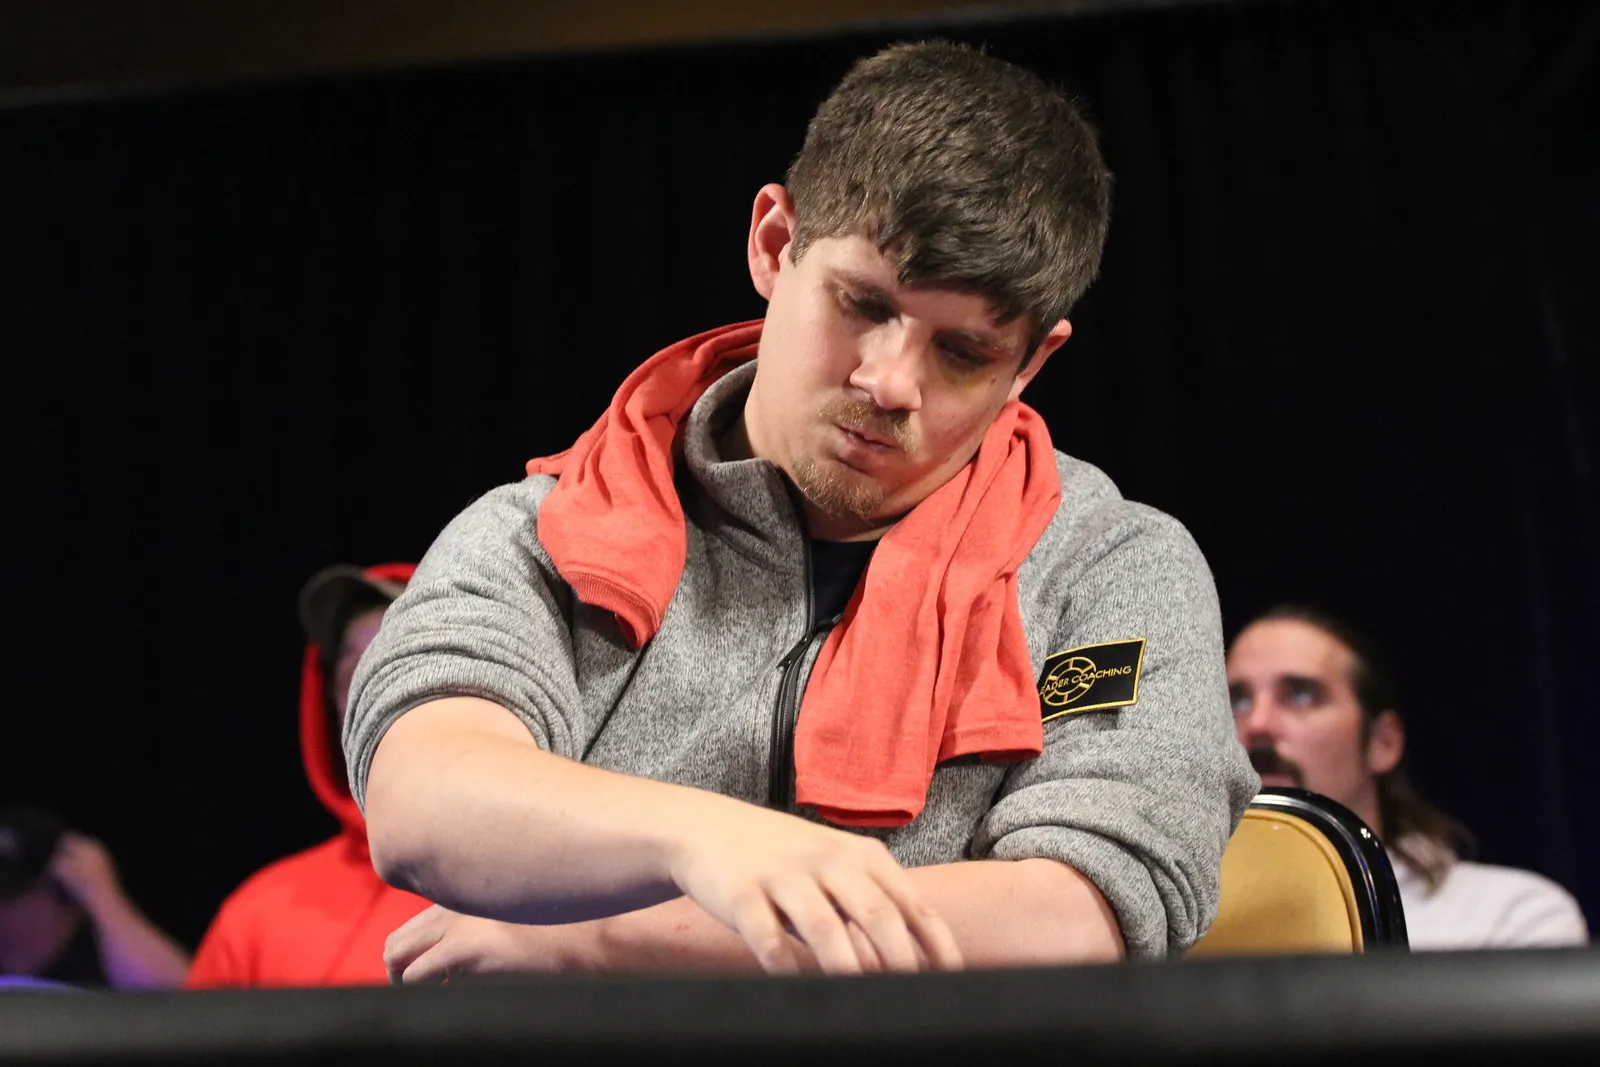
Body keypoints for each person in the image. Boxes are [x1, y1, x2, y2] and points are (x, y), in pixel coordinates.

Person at [349, 40, 1258, 982]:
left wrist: (606, 943)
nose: (890, 382)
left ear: (1032, 361)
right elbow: (422, 794)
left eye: (963, 353)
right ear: (774, 243)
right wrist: (708, 841)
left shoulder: (1112, 565)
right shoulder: (544, 528)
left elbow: (1084, 907)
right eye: (863, 304)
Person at [1226, 604, 1588, 950]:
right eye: (1236, 701)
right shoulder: (1193, 921)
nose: (1257, 724)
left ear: (1383, 742)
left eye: (1301, 696)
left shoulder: (1507, 918)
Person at [186, 563, 430, 987]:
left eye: (394, 663)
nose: (371, 695)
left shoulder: (538, 890)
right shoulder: (257, 915)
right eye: (352, 674)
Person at [0, 805, 190, 989]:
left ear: (67, 893)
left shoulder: (109, 964)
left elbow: (178, 1001)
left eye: (7, 898)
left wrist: (103, 897)